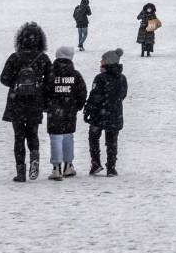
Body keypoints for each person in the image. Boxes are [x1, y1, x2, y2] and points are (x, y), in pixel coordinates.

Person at [0, 22, 53, 182]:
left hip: (17, 103)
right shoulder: (43, 58)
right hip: (35, 102)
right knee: (33, 134)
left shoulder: (15, 57)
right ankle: (34, 159)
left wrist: (17, 84)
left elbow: (4, 79)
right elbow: (50, 80)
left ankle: (21, 171)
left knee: (18, 137)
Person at [44, 45, 87, 181]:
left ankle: (56, 168)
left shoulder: (50, 74)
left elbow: (43, 92)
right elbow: (82, 92)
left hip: (54, 110)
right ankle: (69, 165)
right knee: (68, 137)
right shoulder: (75, 74)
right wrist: (77, 106)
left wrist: (46, 106)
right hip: (70, 110)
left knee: (55, 138)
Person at [84, 48, 128, 176]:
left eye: (102, 60)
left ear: (108, 62)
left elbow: (94, 96)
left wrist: (88, 109)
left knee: (93, 137)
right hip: (115, 113)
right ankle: (111, 166)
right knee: (112, 140)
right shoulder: (122, 78)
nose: (100, 62)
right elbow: (123, 95)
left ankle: (96, 163)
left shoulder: (100, 78)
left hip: (98, 114)